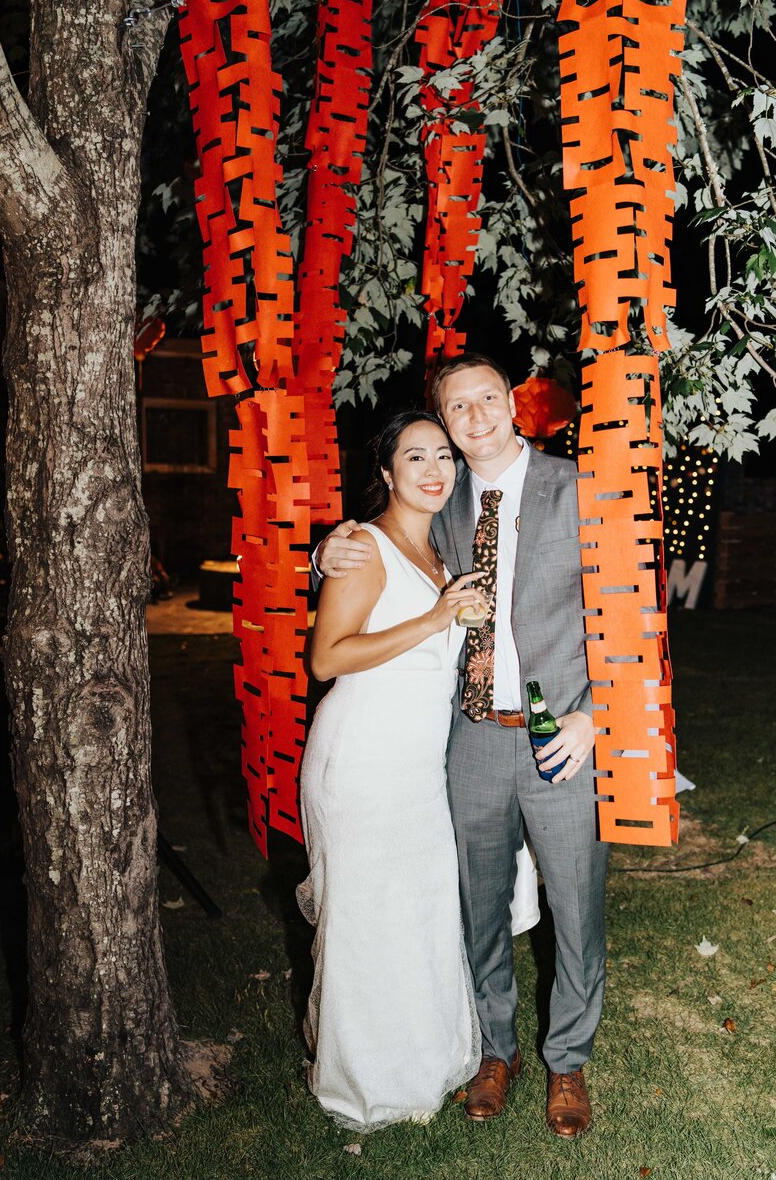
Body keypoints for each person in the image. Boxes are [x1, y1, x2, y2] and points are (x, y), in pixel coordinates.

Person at [316, 355, 608, 1138]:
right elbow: (380, 548)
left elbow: (634, 610)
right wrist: (327, 549)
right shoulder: (442, 503)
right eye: (458, 407)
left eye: (488, 400)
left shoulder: (577, 487)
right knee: (476, 908)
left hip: (561, 738)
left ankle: (568, 1058)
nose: (475, 417)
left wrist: (597, 716)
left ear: (515, 404)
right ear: (441, 422)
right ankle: (495, 1048)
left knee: (575, 905)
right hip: (470, 739)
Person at [298, 410, 539, 1133]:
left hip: (419, 763)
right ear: (385, 472)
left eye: (444, 456)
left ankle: (431, 1058)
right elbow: (326, 657)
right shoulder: (365, 547)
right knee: (368, 918)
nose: (435, 470)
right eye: (415, 458)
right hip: (363, 757)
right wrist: (435, 620)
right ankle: (366, 1080)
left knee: (418, 910)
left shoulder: (440, 548)